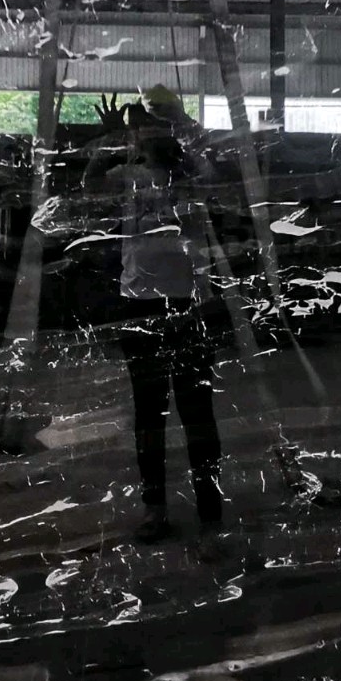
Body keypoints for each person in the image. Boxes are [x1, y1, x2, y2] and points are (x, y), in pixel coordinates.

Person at [83, 85, 227, 555]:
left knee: (196, 411)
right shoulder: (130, 176)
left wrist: (180, 121)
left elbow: (215, 169)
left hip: (190, 303)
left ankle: (210, 513)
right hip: (140, 304)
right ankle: (155, 509)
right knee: (149, 412)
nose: (148, 135)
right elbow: (89, 186)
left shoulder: (192, 176)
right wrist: (109, 142)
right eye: (144, 128)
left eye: (157, 126)